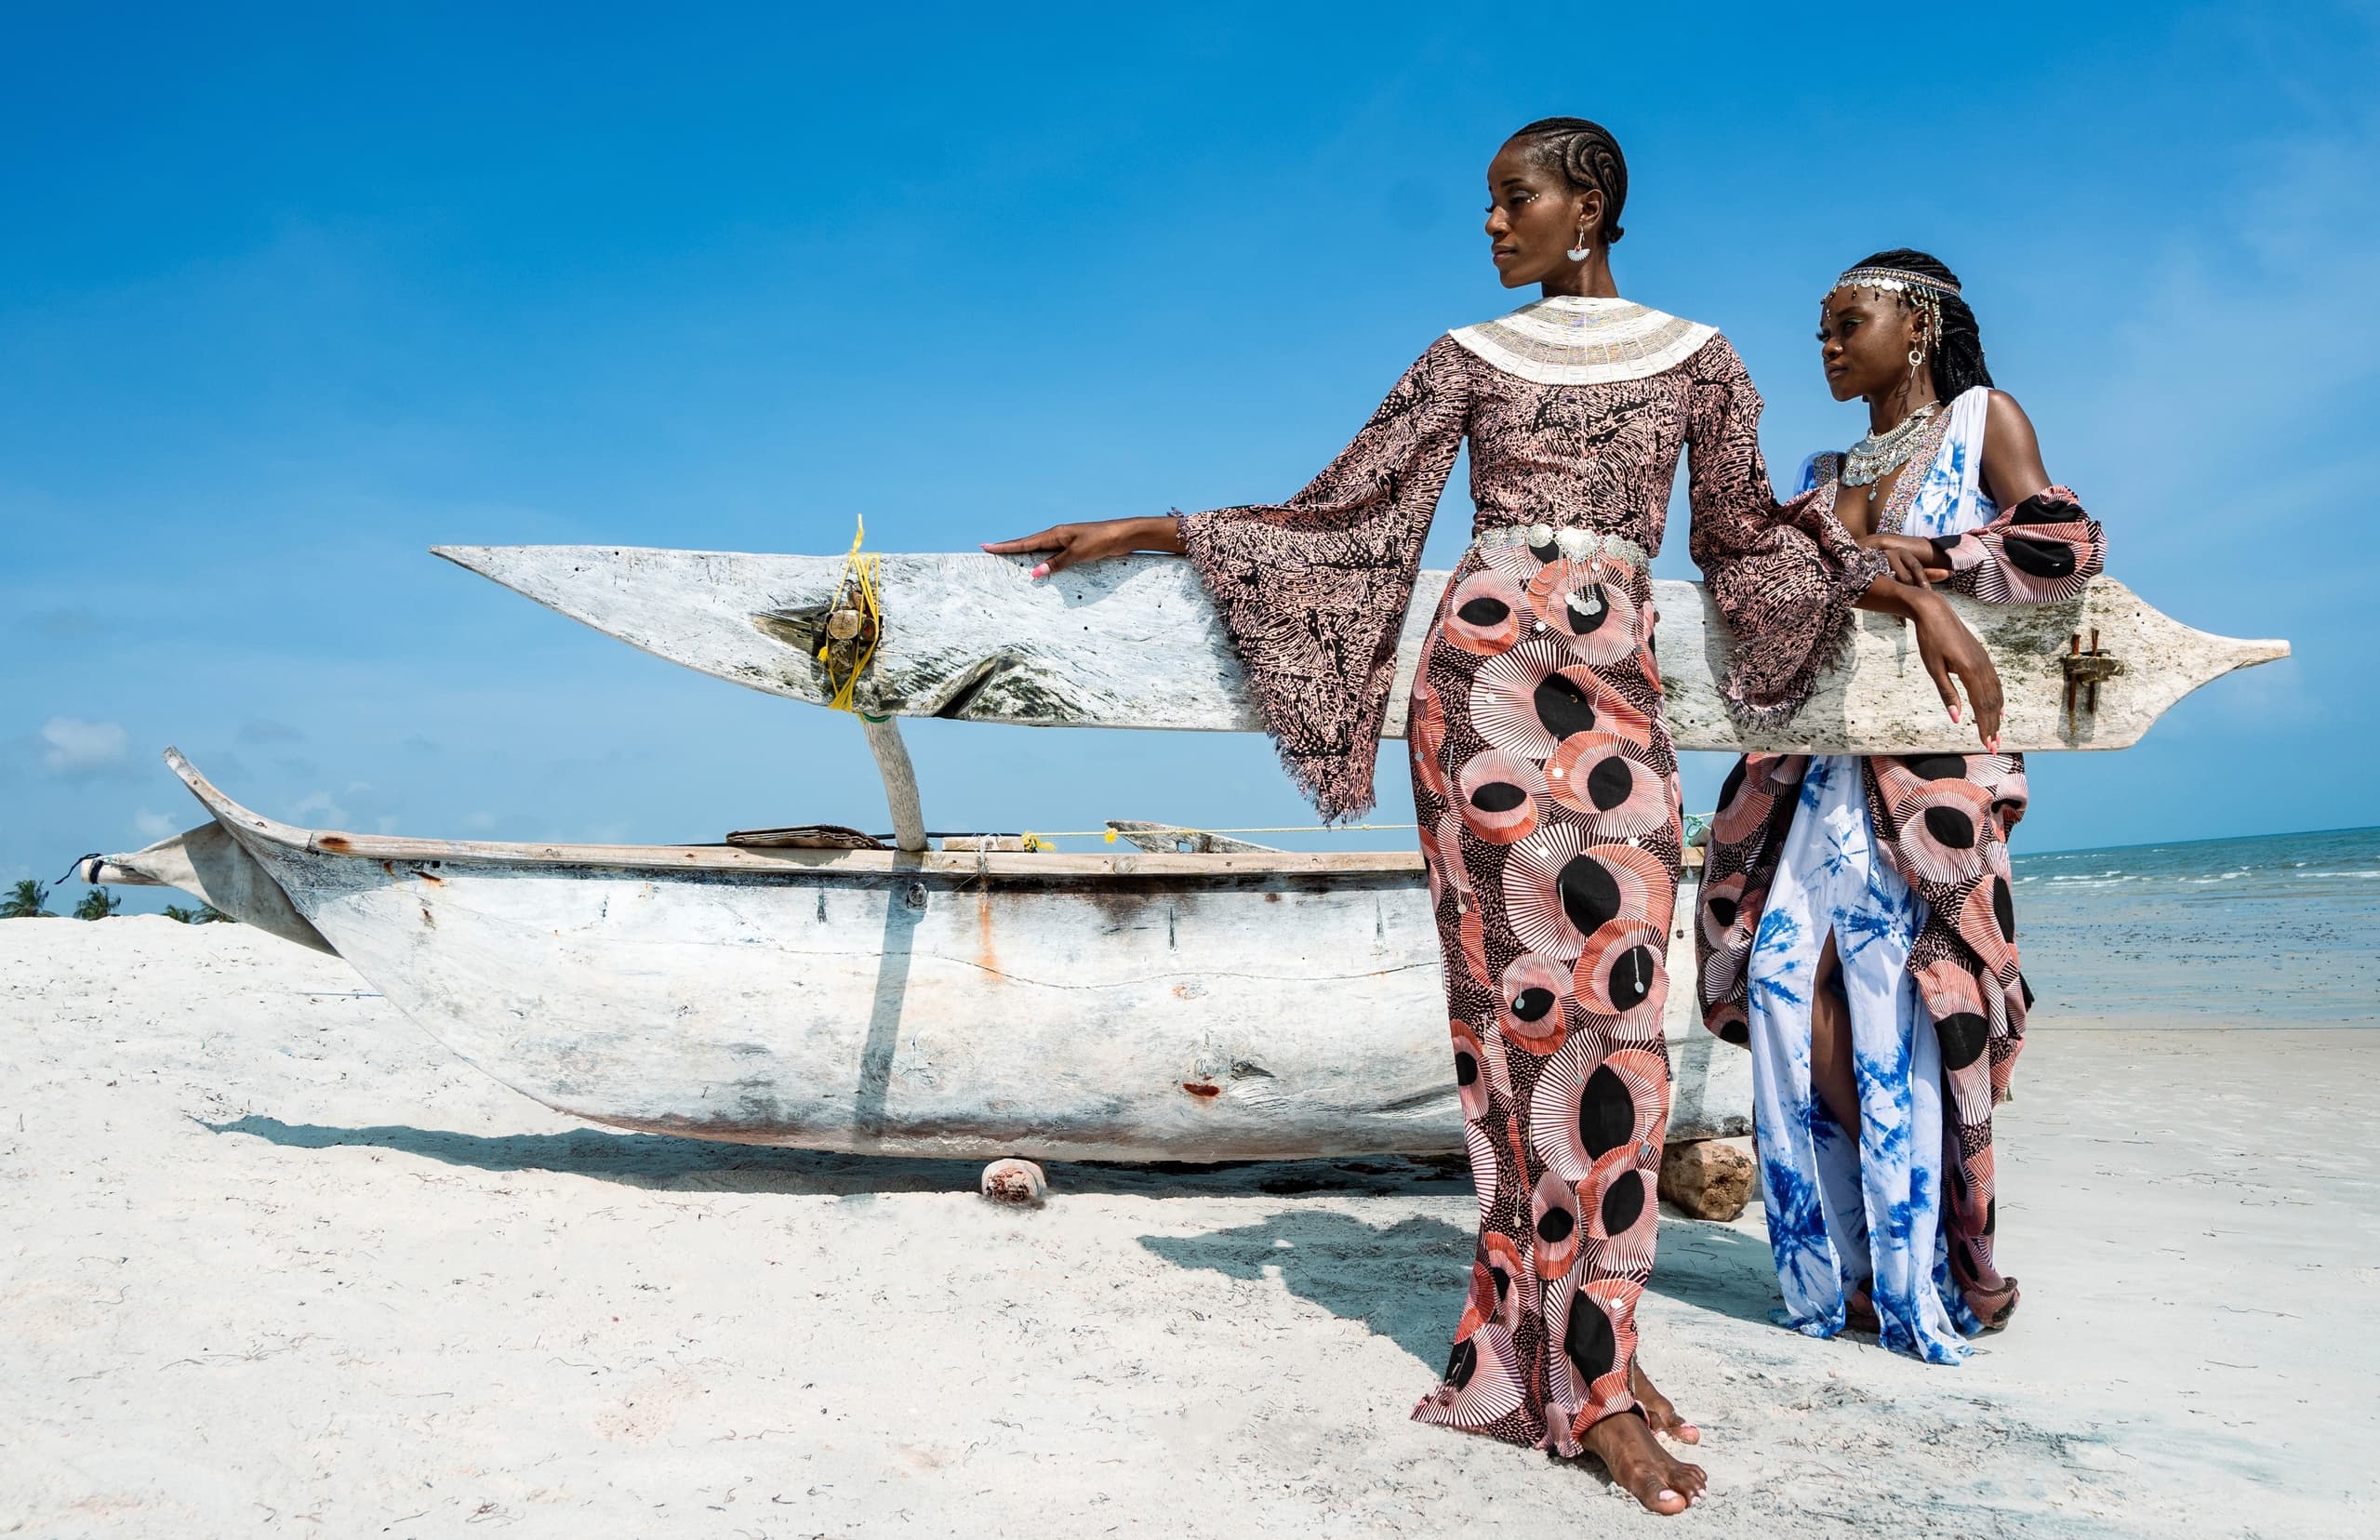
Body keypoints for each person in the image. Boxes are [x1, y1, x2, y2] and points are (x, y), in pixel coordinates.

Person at [988, 126, 1992, 1515]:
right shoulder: (1466, 355)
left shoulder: (1700, 359)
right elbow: (1342, 517)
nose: (1490, 224)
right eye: (1486, 202)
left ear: (1590, 207)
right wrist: (1151, 530)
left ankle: (1584, 1348)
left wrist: (1912, 592)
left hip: (1617, 706)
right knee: (1516, 1036)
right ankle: (1582, 1377)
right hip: (1480, 701)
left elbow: (1749, 544)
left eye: (1514, 199)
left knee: (1617, 1028)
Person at [1695, 251, 2106, 1363]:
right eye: (1821, 329)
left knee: (1902, 1001)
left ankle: (1918, 1268)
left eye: (1849, 322)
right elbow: (1771, 580)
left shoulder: (1982, 420)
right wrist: (1902, 596)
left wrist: (1920, 563)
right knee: (1782, 989)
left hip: (1927, 780)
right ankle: (1852, 1261)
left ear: (1917, 323)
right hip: (1813, 776)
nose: (1827, 344)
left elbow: (2063, 544)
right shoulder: (1823, 470)